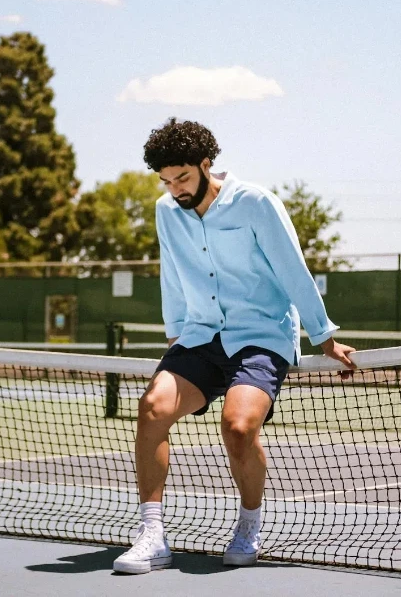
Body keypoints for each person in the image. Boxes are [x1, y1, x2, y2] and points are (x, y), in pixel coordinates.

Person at [113, 118, 356, 574]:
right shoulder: (167, 210)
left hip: (260, 335)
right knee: (152, 407)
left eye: (182, 177)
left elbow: (292, 269)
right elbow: (172, 272)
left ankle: (248, 525)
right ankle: (152, 535)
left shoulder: (257, 203)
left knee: (239, 428)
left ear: (207, 165)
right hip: (201, 335)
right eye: (165, 181)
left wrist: (324, 337)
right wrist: (175, 333)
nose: (175, 189)